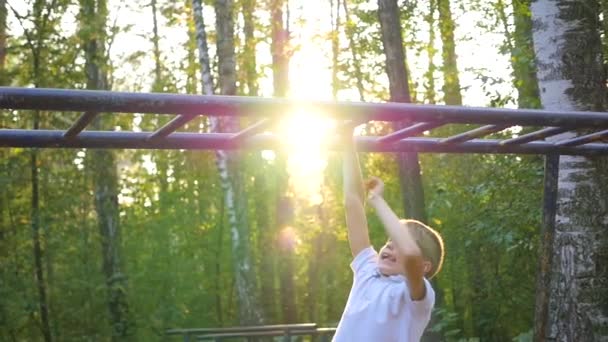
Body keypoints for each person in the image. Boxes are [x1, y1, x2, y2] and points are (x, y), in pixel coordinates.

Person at [332, 126, 445, 342]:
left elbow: (411, 254)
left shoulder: (416, 298)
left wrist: (377, 200)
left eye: (398, 243)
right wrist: (347, 138)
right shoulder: (368, 271)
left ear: (424, 267)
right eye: (389, 242)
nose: (390, 246)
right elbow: (352, 202)